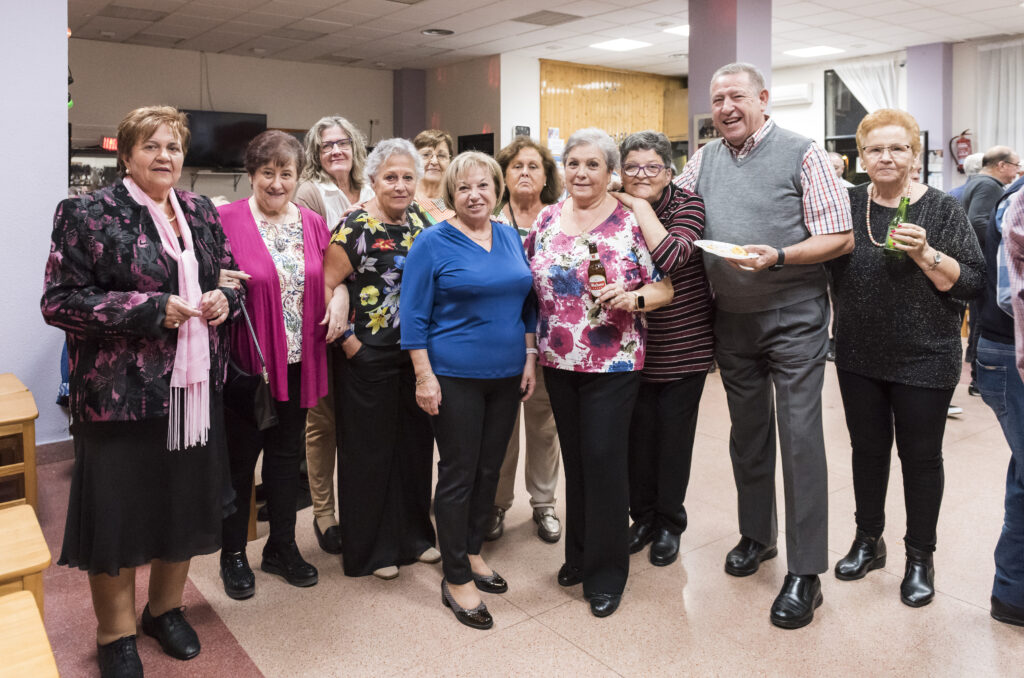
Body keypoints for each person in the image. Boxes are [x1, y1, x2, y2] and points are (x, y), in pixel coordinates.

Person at [41, 105, 240, 678]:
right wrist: (150, 309)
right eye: (151, 146)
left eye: (173, 147)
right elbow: (60, 301)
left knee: (181, 507)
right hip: (120, 398)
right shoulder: (88, 213)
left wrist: (227, 299)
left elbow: (225, 275)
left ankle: (166, 610)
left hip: (195, 392)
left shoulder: (201, 210)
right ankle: (114, 634)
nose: (165, 157)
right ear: (125, 153)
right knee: (120, 516)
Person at [674, 62, 853, 629]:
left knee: (800, 439)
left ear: (763, 98)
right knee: (747, 437)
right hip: (732, 320)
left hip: (794, 315)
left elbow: (840, 236)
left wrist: (778, 255)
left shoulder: (804, 153)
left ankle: (807, 572)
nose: (726, 107)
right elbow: (676, 211)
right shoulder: (703, 158)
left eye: (737, 96)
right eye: (717, 97)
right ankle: (758, 536)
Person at [829, 109, 984, 608]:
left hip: (926, 356)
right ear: (862, 157)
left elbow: (973, 282)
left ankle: (920, 556)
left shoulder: (941, 209)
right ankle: (867, 540)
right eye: (876, 149)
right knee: (866, 452)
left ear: (914, 157)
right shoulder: (848, 203)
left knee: (920, 460)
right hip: (857, 352)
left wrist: (927, 254)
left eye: (897, 148)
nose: (886, 157)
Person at [527, 128, 674, 618]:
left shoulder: (630, 220)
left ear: (611, 172)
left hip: (613, 360)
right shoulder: (547, 218)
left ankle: (608, 572)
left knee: (605, 459)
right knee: (577, 459)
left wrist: (631, 299)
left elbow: (665, 289)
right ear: (562, 169)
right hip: (557, 359)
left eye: (593, 165)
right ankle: (580, 556)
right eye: (573, 164)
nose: (582, 173)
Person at [402, 151, 538, 630]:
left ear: (497, 189)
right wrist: (424, 376)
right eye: (463, 188)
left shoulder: (508, 236)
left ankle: (474, 550)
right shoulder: (432, 243)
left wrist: (528, 357)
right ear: (451, 195)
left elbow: (528, 303)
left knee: (489, 468)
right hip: (454, 375)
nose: (474, 195)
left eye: (483, 186)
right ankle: (455, 575)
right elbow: (413, 315)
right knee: (459, 472)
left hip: (506, 375)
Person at [217, 130, 329, 599]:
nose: (277, 183)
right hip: (249, 368)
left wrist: (339, 296)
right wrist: (212, 275)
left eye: (287, 173)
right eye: (268, 173)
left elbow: (332, 274)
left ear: (298, 176)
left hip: (300, 360)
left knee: (287, 459)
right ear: (251, 176)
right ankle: (234, 554)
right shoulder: (224, 219)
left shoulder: (312, 222)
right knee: (241, 463)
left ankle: (282, 546)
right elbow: (196, 274)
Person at [323, 138, 440, 579]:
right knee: (368, 453)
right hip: (365, 354)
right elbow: (327, 285)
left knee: (412, 449)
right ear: (372, 180)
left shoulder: (424, 221)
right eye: (390, 177)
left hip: (414, 355)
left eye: (408, 177)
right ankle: (372, 549)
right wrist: (351, 344)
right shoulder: (353, 226)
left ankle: (414, 536)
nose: (400, 185)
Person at [617, 131, 713, 567]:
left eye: (652, 167)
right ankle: (643, 519)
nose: (641, 175)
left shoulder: (688, 204)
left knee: (673, 443)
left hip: (684, 346)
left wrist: (638, 206)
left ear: (669, 171)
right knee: (638, 441)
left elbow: (673, 256)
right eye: (632, 167)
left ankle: (670, 524)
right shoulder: (610, 206)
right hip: (629, 346)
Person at [294, 116, 375, 555]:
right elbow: (314, 255)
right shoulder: (310, 192)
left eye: (342, 142)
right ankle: (324, 514)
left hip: (377, 323)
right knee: (322, 423)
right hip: (328, 319)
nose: (335, 151)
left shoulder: (374, 186)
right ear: (316, 153)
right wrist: (340, 290)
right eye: (326, 146)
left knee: (363, 423)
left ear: (355, 146)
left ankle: (363, 509)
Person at [485, 136, 564, 544]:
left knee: (543, 423)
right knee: (502, 426)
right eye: (517, 166)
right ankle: (497, 503)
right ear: (504, 174)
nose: (525, 173)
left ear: (547, 175)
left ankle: (544, 503)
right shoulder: (490, 219)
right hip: (503, 335)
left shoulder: (559, 217)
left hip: (552, 337)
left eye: (534, 166)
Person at [983, 173, 1024, 627]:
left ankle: (1013, 592)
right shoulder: (1018, 201)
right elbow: (1014, 296)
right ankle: (1012, 594)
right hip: (1008, 353)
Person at [963, 146, 1020, 395]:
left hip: (977, 262)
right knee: (980, 322)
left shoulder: (977, 182)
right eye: (1015, 165)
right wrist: (999, 243)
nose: (1017, 172)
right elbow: (978, 221)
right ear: (1002, 165)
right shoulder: (989, 185)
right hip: (985, 265)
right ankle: (979, 380)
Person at [413, 129, 456, 224]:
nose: (434, 161)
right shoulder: (402, 201)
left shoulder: (458, 203)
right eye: (426, 155)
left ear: (450, 161)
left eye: (441, 155)